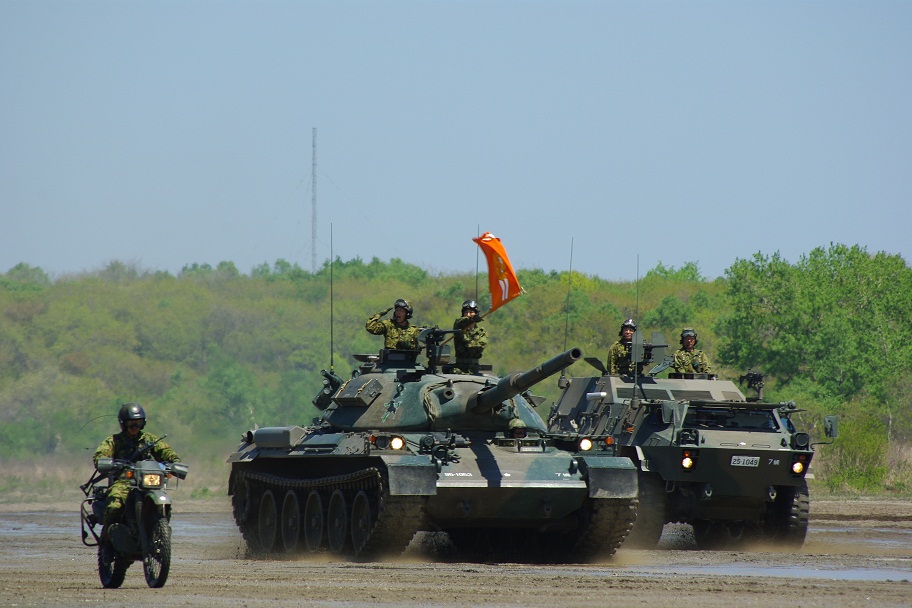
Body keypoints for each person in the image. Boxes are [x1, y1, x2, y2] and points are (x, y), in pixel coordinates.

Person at [93, 403, 181, 541]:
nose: (134, 427)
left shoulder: (150, 439)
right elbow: (100, 456)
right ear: (123, 424)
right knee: (115, 505)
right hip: (124, 481)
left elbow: (166, 451)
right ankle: (107, 539)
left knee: (164, 503)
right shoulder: (114, 441)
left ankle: (159, 534)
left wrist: (174, 461)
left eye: (138, 423)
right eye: (131, 424)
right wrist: (107, 462)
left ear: (143, 423)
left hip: (147, 481)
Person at [453, 299, 488, 374]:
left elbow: (478, 348)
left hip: (475, 368)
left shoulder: (481, 332)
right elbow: (460, 322)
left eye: (471, 312)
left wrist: (465, 340)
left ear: (476, 314)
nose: (468, 314)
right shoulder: (458, 328)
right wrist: (471, 319)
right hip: (460, 367)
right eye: (466, 312)